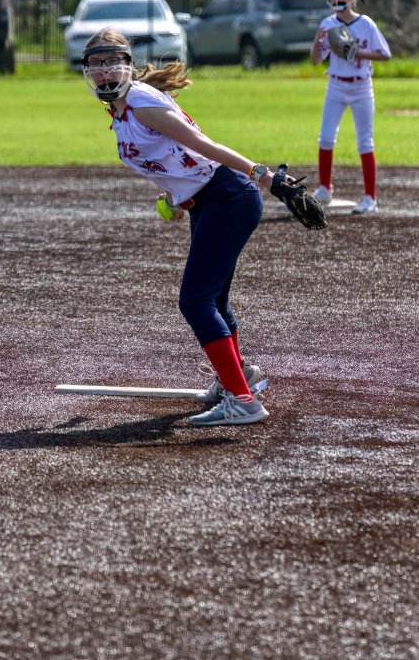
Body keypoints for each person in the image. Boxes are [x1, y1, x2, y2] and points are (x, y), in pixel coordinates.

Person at [81, 28, 278, 428]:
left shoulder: (141, 105)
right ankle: (238, 378)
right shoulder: (121, 110)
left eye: (113, 62)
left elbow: (205, 146)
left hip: (228, 196)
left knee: (195, 301)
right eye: (96, 64)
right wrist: (175, 199)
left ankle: (242, 400)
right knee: (213, 300)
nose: (105, 71)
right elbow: (178, 160)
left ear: (128, 66)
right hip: (210, 200)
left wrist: (263, 174)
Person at [309, 0, 392, 215]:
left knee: (365, 142)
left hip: (361, 87)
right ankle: (324, 189)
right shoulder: (327, 23)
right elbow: (315, 61)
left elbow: (385, 54)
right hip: (335, 85)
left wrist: (357, 52)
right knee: (326, 138)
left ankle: (370, 198)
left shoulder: (365, 23)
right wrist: (317, 40)